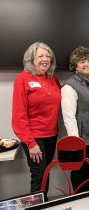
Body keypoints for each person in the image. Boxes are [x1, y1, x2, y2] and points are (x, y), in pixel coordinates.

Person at [11, 42, 61, 194]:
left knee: (46, 172)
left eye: (48, 56)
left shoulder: (52, 78)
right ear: (31, 59)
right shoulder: (23, 79)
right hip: (34, 137)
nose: (45, 59)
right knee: (39, 174)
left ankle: (43, 204)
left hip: (52, 135)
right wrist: (31, 143)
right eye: (40, 56)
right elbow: (18, 116)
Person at [61, 46, 89, 193]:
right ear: (75, 66)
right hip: (82, 141)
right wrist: (75, 143)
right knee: (80, 175)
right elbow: (69, 117)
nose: (87, 64)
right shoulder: (69, 86)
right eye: (82, 62)